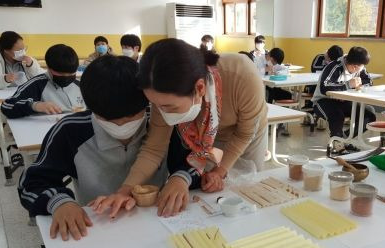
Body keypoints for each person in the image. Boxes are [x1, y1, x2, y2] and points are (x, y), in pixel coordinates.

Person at [91, 38, 268, 218]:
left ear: (199, 88)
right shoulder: (163, 94)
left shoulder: (242, 75)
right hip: (204, 138)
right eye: (155, 104)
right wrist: (125, 189)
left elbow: (245, 134)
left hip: (246, 134)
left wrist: (220, 171)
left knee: (247, 192)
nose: (161, 112)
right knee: (210, 193)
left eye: (169, 107)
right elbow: (153, 149)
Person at [17, 55, 167, 241]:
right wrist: (60, 202)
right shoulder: (70, 130)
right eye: (109, 119)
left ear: (148, 102)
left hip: (158, 222)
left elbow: (190, 163)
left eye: (132, 117)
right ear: (91, 107)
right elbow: (31, 184)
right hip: (98, 227)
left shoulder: (162, 122)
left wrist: (180, 178)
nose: (121, 126)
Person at [0, 44, 84, 119]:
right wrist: (35, 106)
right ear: (48, 67)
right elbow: (6, 106)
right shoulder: (37, 85)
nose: (66, 77)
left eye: (71, 74)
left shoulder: (81, 86)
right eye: (60, 74)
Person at [312, 46, 376, 139]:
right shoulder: (335, 66)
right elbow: (324, 87)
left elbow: (369, 82)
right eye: (361, 67)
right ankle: (337, 145)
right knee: (337, 115)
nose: (362, 69)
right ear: (354, 67)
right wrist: (348, 84)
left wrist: (360, 85)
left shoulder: (360, 68)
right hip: (323, 101)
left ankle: (344, 138)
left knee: (369, 115)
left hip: (345, 101)